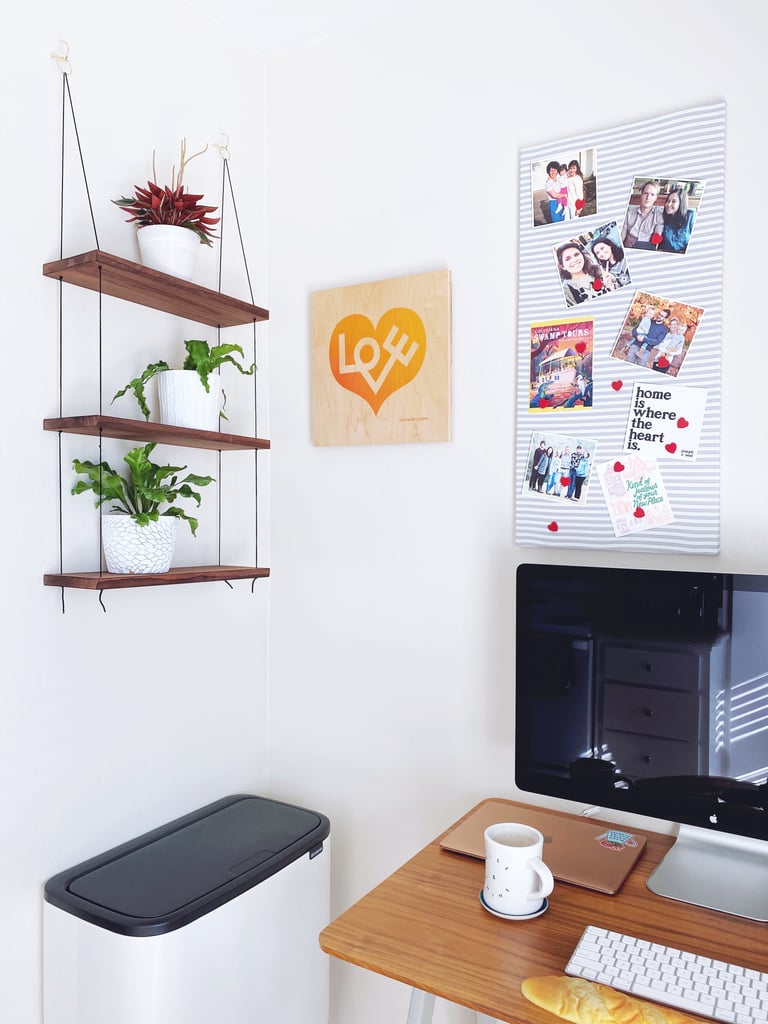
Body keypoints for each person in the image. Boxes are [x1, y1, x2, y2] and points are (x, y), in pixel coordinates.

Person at [622, 180, 665, 249]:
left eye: (652, 194)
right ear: (641, 195)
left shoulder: (659, 217)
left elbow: (656, 240)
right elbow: (622, 234)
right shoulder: (629, 213)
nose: (648, 197)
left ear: (656, 198)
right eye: (645, 193)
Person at [659, 187, 696, 254]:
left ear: (681, 203)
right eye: (668, 201)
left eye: (674, 201)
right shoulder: (663, 217)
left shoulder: (691, 216)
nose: (669, 204)